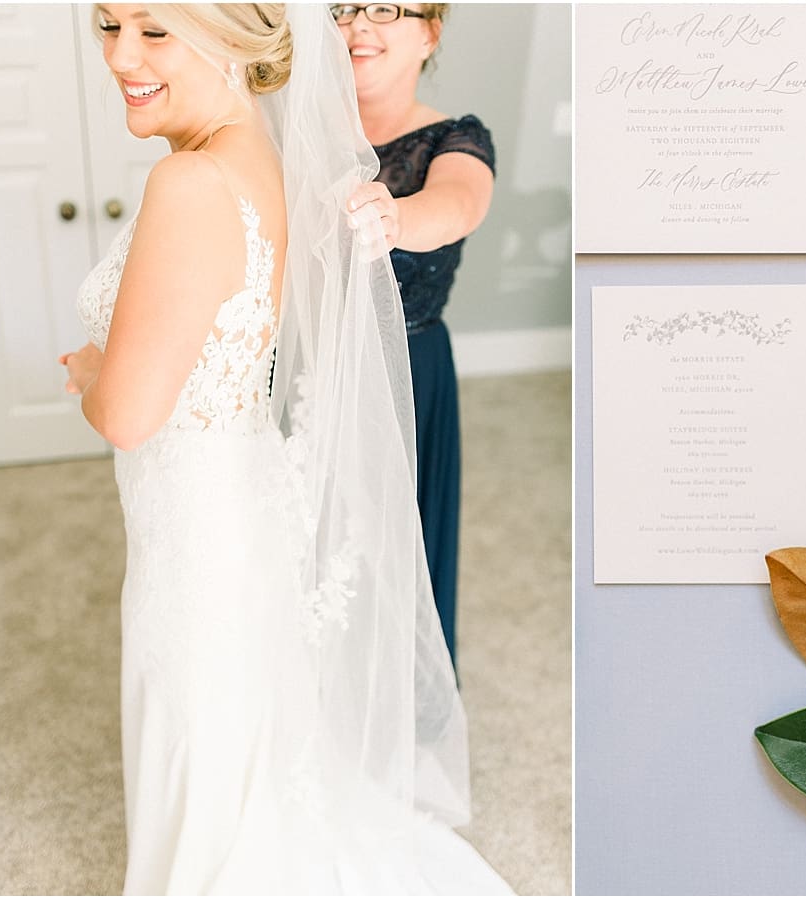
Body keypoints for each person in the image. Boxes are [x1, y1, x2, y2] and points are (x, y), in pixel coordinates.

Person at [59, 4, 510, 894]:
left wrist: (92, 368)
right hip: (235, 475)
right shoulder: (255, 151)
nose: (120, 55)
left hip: (201, 500)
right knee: (238, 710)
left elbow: (127, 415)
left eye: (153, 31)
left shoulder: (190, 181)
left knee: (203, 704)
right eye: (108, 25)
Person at [336, 2, 496, 671]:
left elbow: (457, 203)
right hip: (311, 368)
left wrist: (395, 218)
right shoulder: (294, 133)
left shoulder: (456, 138)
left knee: (400, 549)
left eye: (386, 8)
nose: (360, 26)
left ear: (429, 31)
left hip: (409, 369)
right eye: (344, 9)